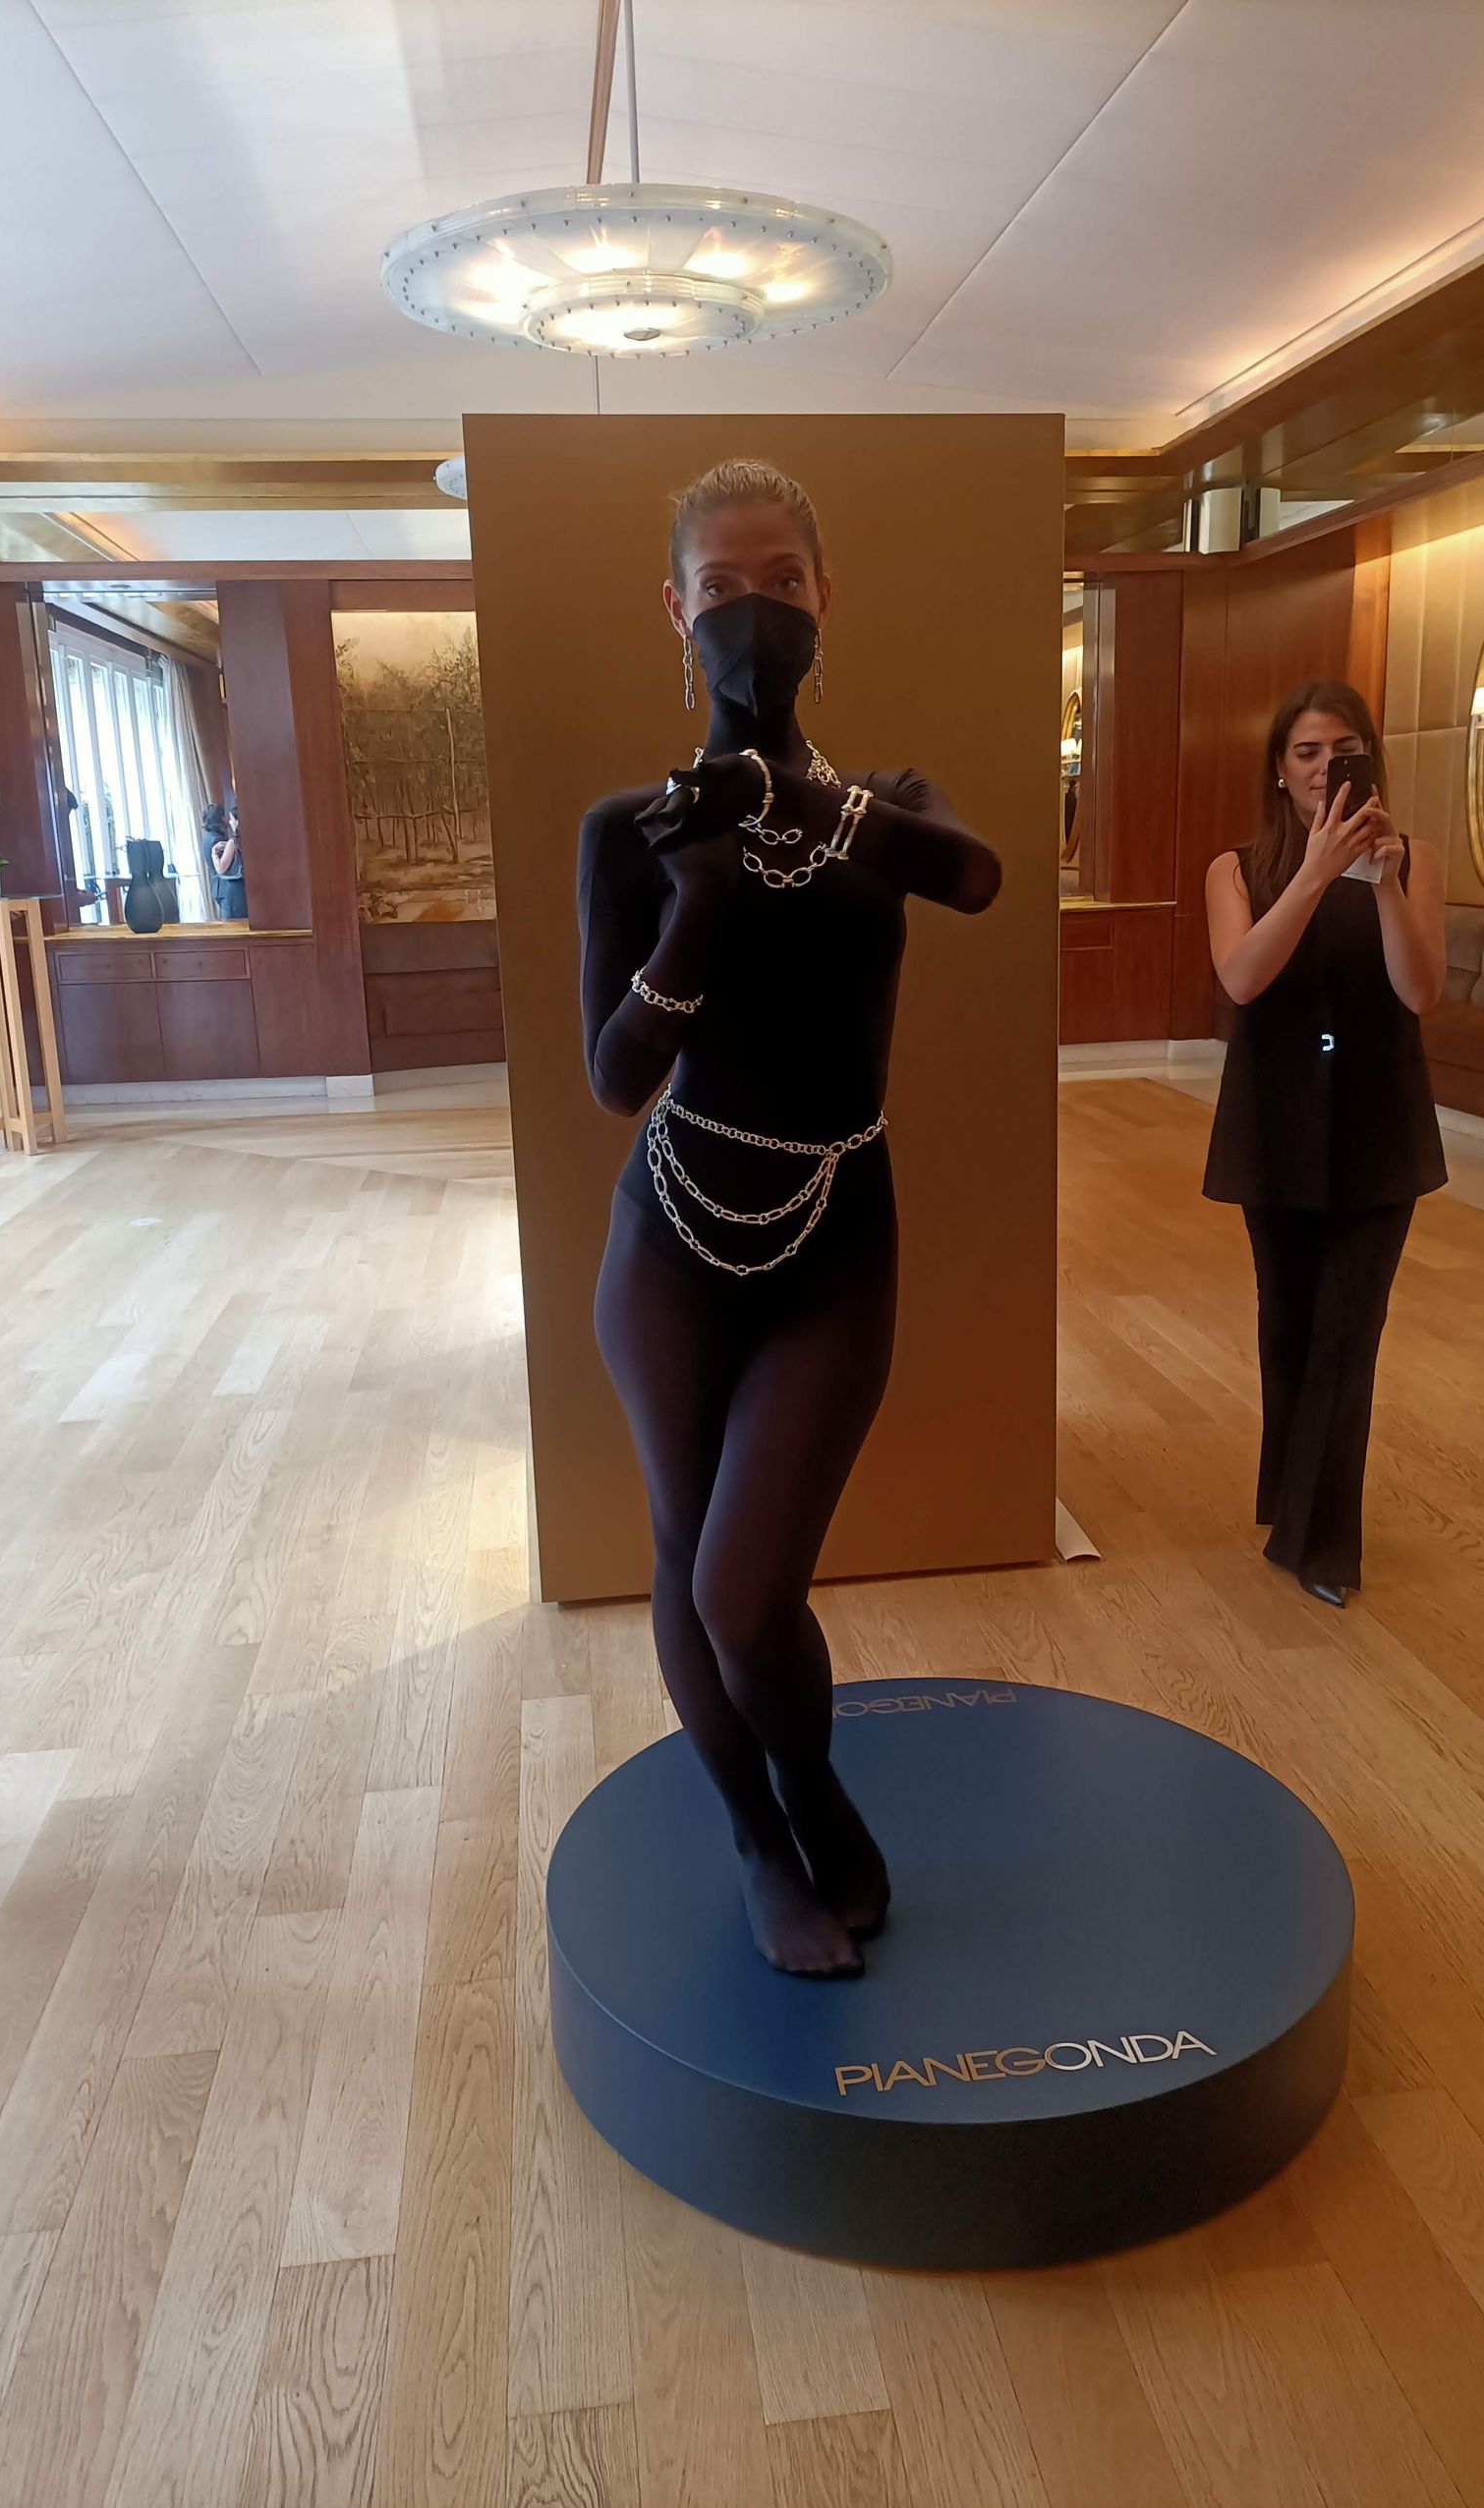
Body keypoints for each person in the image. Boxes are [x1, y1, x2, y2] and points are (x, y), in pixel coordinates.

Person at [579, 459, 1001, 1977]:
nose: (751, 613)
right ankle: (764, 1841)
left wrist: (789, 794)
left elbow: (976, 877)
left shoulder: (893, 805)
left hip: (836, 1229)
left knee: (746, 1588)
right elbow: (615, 1076)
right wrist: (696, 907)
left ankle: (816, 1800)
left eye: (780, 582)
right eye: (720, 588)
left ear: (827, 600)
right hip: (671, 1234)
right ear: (675, 611)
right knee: (684, 1555)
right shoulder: (631, 830)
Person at [1202, 680, 1447, 1607]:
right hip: (1275, 1123)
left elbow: (1420, 990)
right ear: (1279, 769)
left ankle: (1322, 1546)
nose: (1322, 769)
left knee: (1349, 1332)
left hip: (1380, 1125)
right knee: (1291, 1326)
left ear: (1368, 759)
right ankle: (1290, 1500)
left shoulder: (1415, 861)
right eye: (1305, 753)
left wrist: (1380, 882)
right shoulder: (1236, 870)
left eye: (1341, 752)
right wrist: (1314, 872)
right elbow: (1242, 978)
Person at [203, 803, 246, 920]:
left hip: (228, 888)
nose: (229, 822)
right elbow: (221, 868)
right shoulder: (218, 839)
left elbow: (220, 867)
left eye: (231, 819)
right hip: (227, 886)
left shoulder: (209, 838)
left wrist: (214, 854)